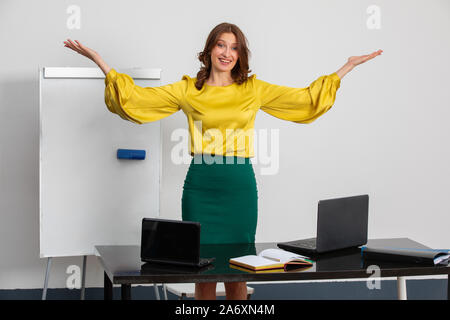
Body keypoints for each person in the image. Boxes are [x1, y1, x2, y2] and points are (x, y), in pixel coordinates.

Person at [63, 22, 382, 300]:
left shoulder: (252, 89)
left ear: (240, 55)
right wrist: (102, 64)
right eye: (221, 44)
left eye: (234, 47)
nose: (227, 52)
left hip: (238, 186)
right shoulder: (188, 89)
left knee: (240, 266)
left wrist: (345, 68)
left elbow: (304, 99)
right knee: (202, 268)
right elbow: (138, 101)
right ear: (209, 50)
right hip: (200, 185)